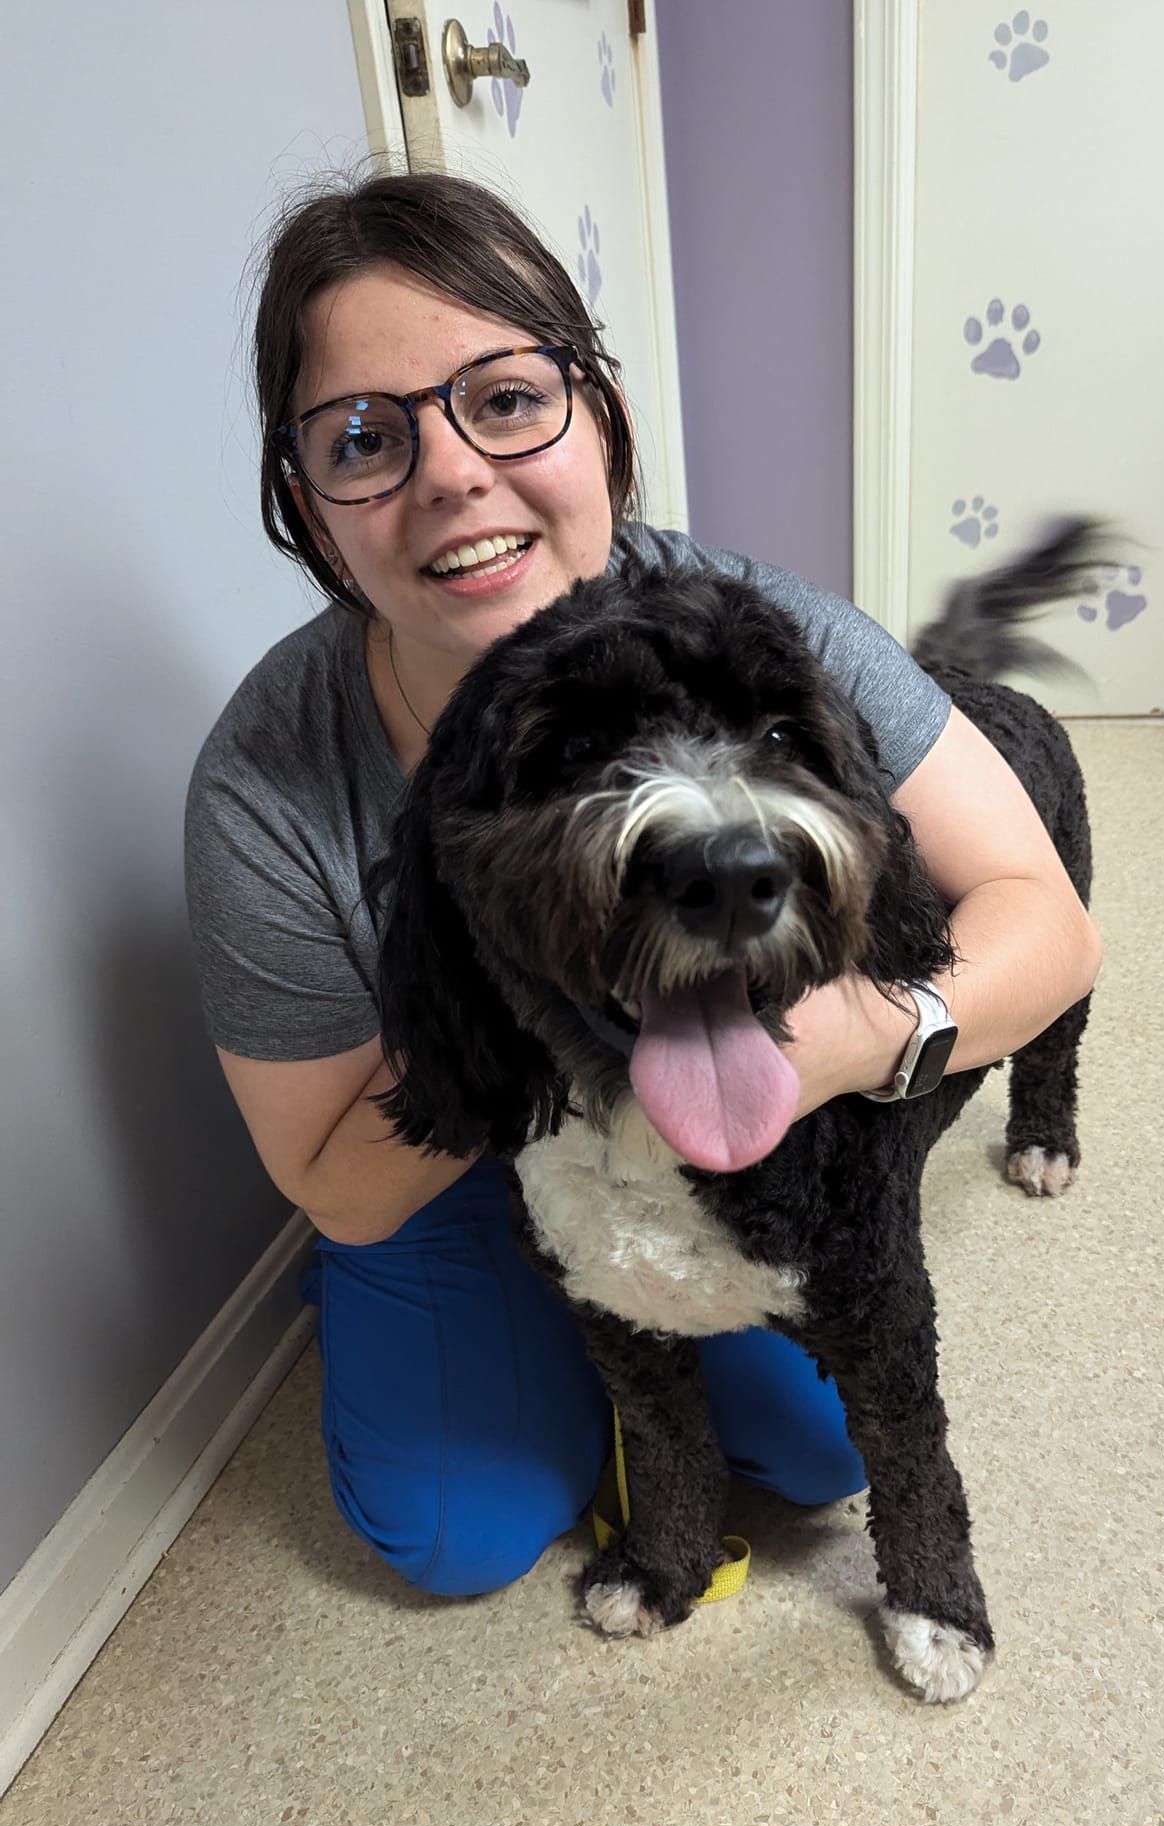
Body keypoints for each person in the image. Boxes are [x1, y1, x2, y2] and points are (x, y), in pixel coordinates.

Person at [184, 170, 1102, 1598]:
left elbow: (1043, 923)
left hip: (764, 1094)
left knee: (817, 1456)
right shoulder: (265, 781)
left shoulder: (776, 631)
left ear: (601, 420)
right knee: (456, 1534)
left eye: (504, 397)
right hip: (459, 1139)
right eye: (365, 437)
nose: (452, 476)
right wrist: (530, 1021)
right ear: (305, 501)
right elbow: (335, 1185)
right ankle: (522, 1311)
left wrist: (857, 1037)